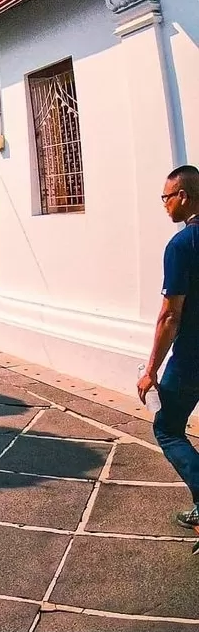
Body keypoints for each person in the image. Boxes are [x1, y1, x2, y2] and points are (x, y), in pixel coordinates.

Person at [138, 164, 199, 541]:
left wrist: (150, 370)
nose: (164, 204)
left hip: (192, 358)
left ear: (184, 197)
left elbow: (169, 316)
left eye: (166, 197)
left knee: (168, 428)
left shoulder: (182, 245)